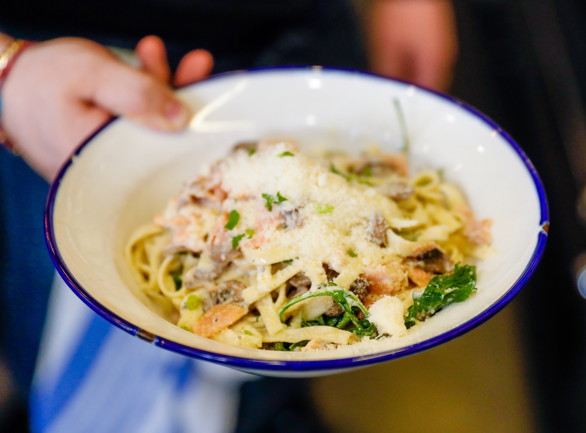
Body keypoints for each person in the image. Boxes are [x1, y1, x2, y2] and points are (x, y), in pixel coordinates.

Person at [0, 1, 459, 431]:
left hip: (301, 35)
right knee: (54, 356)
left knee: (274, 389)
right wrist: (9, 69)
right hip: (50, 82)